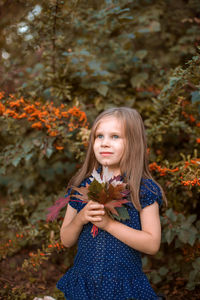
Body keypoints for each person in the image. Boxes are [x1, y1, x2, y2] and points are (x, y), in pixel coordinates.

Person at [57, 107, 167, 300]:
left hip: (124, 287)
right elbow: (66, 239)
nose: (105, 143)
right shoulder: (83, 186)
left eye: (115, 136)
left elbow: (152, 244)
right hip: (85, 284)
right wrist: (81, 218)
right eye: (99, 136)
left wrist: (109, 225)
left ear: (133, 143)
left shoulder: (143, 190)